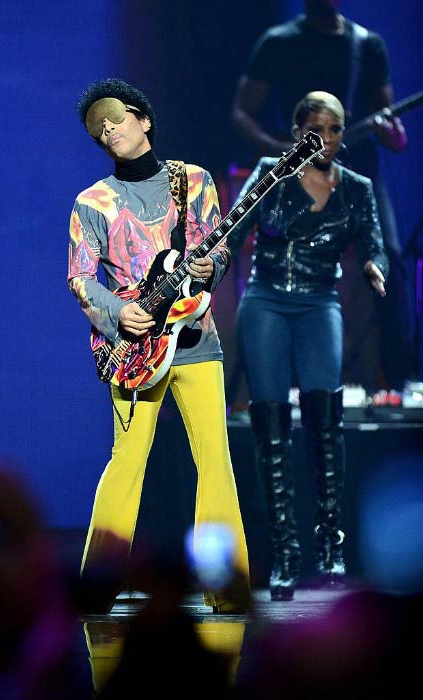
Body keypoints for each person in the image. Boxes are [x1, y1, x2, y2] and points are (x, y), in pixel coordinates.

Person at [67, 78, 251, 614]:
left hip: (197, 338)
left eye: (115, 118)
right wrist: (116, 312)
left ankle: (226, 584)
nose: (108, 129)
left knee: (215, 460)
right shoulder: (92, 202)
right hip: (133, 347)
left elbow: (219, 247)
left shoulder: (194, 182)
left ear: (144, 120)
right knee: (127, 460)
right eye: (98, 127)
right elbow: (81, 277)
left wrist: (209, 265)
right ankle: (98, 582)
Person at [227, 91, 388, 601]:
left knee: (325, 422)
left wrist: (373, 264)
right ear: (298, 132)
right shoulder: (271, 173)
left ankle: (331, 547)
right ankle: (284, 554)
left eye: (336, 131)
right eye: (316, 131)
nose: (327, 140)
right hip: (268, 300)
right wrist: (207, 273)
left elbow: (374, 240)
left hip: (320, 303)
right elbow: (233, 227)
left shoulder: (355, 188)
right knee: (271, 428)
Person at [231, 0, 414, 392]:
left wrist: (391, 134)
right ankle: (266, 386)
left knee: (390, 260)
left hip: (357, 174)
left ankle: (399, 379)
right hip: (295, 177)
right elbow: (243, 112)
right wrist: (281, 150)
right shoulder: (279, 42)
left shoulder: (367, 45)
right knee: (282, 266)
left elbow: (395, 134)